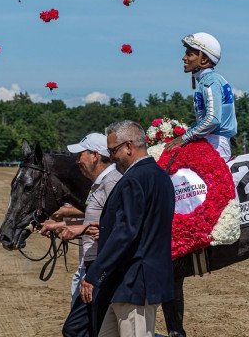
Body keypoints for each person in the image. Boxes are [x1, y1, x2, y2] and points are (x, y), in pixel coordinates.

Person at [81, 120, 175, 337]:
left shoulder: (135, 179)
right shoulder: (160, 176)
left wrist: (94, 273)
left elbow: (126, 232)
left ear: (129, 146)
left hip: (135, 282)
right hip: (129, 285)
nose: (111, 157)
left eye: (113, 150)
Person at [56, 132, 122, 337]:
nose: (77, 161)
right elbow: (96, 219)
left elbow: (120, 224)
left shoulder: (112, 182)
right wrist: (62, 225)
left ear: (95, 155)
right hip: (93, 266)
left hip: (101, 268)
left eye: (81, 154)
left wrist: (82, 229)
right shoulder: (101, 183)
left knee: (76, 329)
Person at [164, 32, 238, 161]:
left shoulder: (210, 82)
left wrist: (184, 138)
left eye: (189, 54)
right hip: (213, 141)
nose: (184, 58)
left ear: (203, 59)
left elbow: (213, 119)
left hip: (215, 145)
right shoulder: (210, 80)